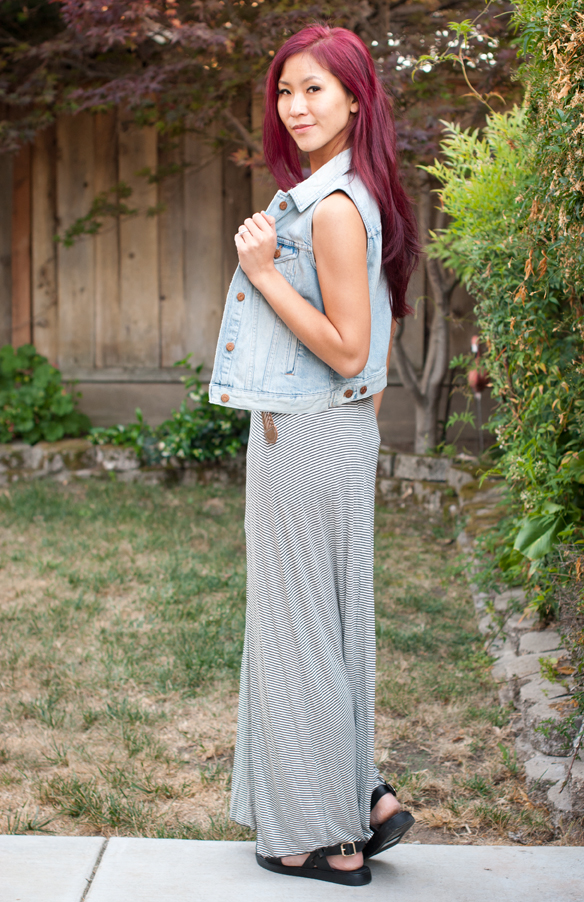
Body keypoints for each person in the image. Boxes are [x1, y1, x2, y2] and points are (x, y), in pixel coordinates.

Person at [209, 24, 419, 887]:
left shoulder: (331, 208)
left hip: (303, 431)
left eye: (315, 91)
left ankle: (320, 835)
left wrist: (262, 273)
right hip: (333, 431)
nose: (295, 108)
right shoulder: (358, 194)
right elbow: (373, 351)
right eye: (286, 91)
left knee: (297, 634)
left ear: (355, 99)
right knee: (327, 629)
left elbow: (345, 345)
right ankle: (361, 799)